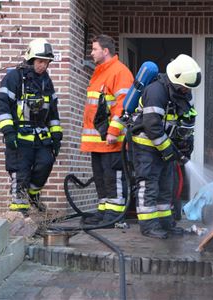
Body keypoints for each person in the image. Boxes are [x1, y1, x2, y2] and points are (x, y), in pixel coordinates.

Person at [131, 54, 201, 239]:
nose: (187, 90)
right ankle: (148, 225)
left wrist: (186, 143)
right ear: (176, 78)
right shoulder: (156, 91)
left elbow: (187, 119)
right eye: (185, 87)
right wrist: (168, 149)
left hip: (165, 147)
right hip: (147, 146)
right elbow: (152, 125)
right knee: (149, 184)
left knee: (166, 186)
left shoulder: (183, 93)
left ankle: (164, 223)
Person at [0, 38, 63, 214]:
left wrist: (56, 135)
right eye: (40, 61)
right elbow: (2, 106)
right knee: (21, 172)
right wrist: (8, 131)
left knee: (46, 162)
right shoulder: (13, 78)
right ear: (30, 59)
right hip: (19, 135)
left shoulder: (46, 81)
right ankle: (19, 213)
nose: (43, 66)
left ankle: (33, 194)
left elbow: (53, 112)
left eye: (46, 62)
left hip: (41, 135)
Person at [80, 34, 134, 224]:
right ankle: (103, 212)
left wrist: (113, 131)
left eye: (94, 49)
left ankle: (114, 215)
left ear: (105, 50)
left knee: (114, 179)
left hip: (112, 140)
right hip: (98, 142)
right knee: (101, 179)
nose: (91, 52)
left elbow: (123, 105)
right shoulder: (100, 72)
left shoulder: (120, 72)